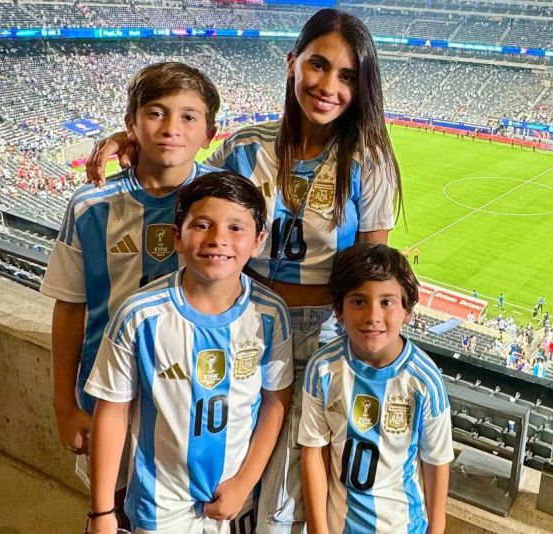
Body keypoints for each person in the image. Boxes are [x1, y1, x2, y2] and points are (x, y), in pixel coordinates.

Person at [85, 10, 402, 532]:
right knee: (219, 471)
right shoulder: (245, 148)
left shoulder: (370, 163)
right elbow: (189, 181)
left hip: (323, 337)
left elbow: (370, 273)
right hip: (245, 326)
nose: (327, 86)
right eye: (318, 65)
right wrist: (133, 146)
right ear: (292, 63)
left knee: (283, 500)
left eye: (347, 76)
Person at [40, 61, 222, 524]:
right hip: (107, 401)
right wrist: (65, 404)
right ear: (131, 124)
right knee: (110, 511)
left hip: (191, 401)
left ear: (210, 132)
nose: (170, 128)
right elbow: (70, 307)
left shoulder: (220, 204)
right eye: (155, 113)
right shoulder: (89, 205)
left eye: (188, 117)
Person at [84, 172, 292, 532]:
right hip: (159, 503)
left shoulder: (270, 315)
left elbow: (275, 401)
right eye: (202, 225)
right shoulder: (140, 315)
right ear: (177, 237)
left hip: (236, 498)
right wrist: (102, 511)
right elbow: (112, 411)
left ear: (258, 241)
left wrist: (244, 482)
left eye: (235, 228)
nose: (218, 240)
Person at [299, 243, 452, 534]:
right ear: (338, 310)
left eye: (387, 302)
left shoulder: (424, 381)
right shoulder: (322, 369)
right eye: (358, 301)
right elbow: (313, 452)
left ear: (407, 310)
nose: (373, 316)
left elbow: (436, 463)